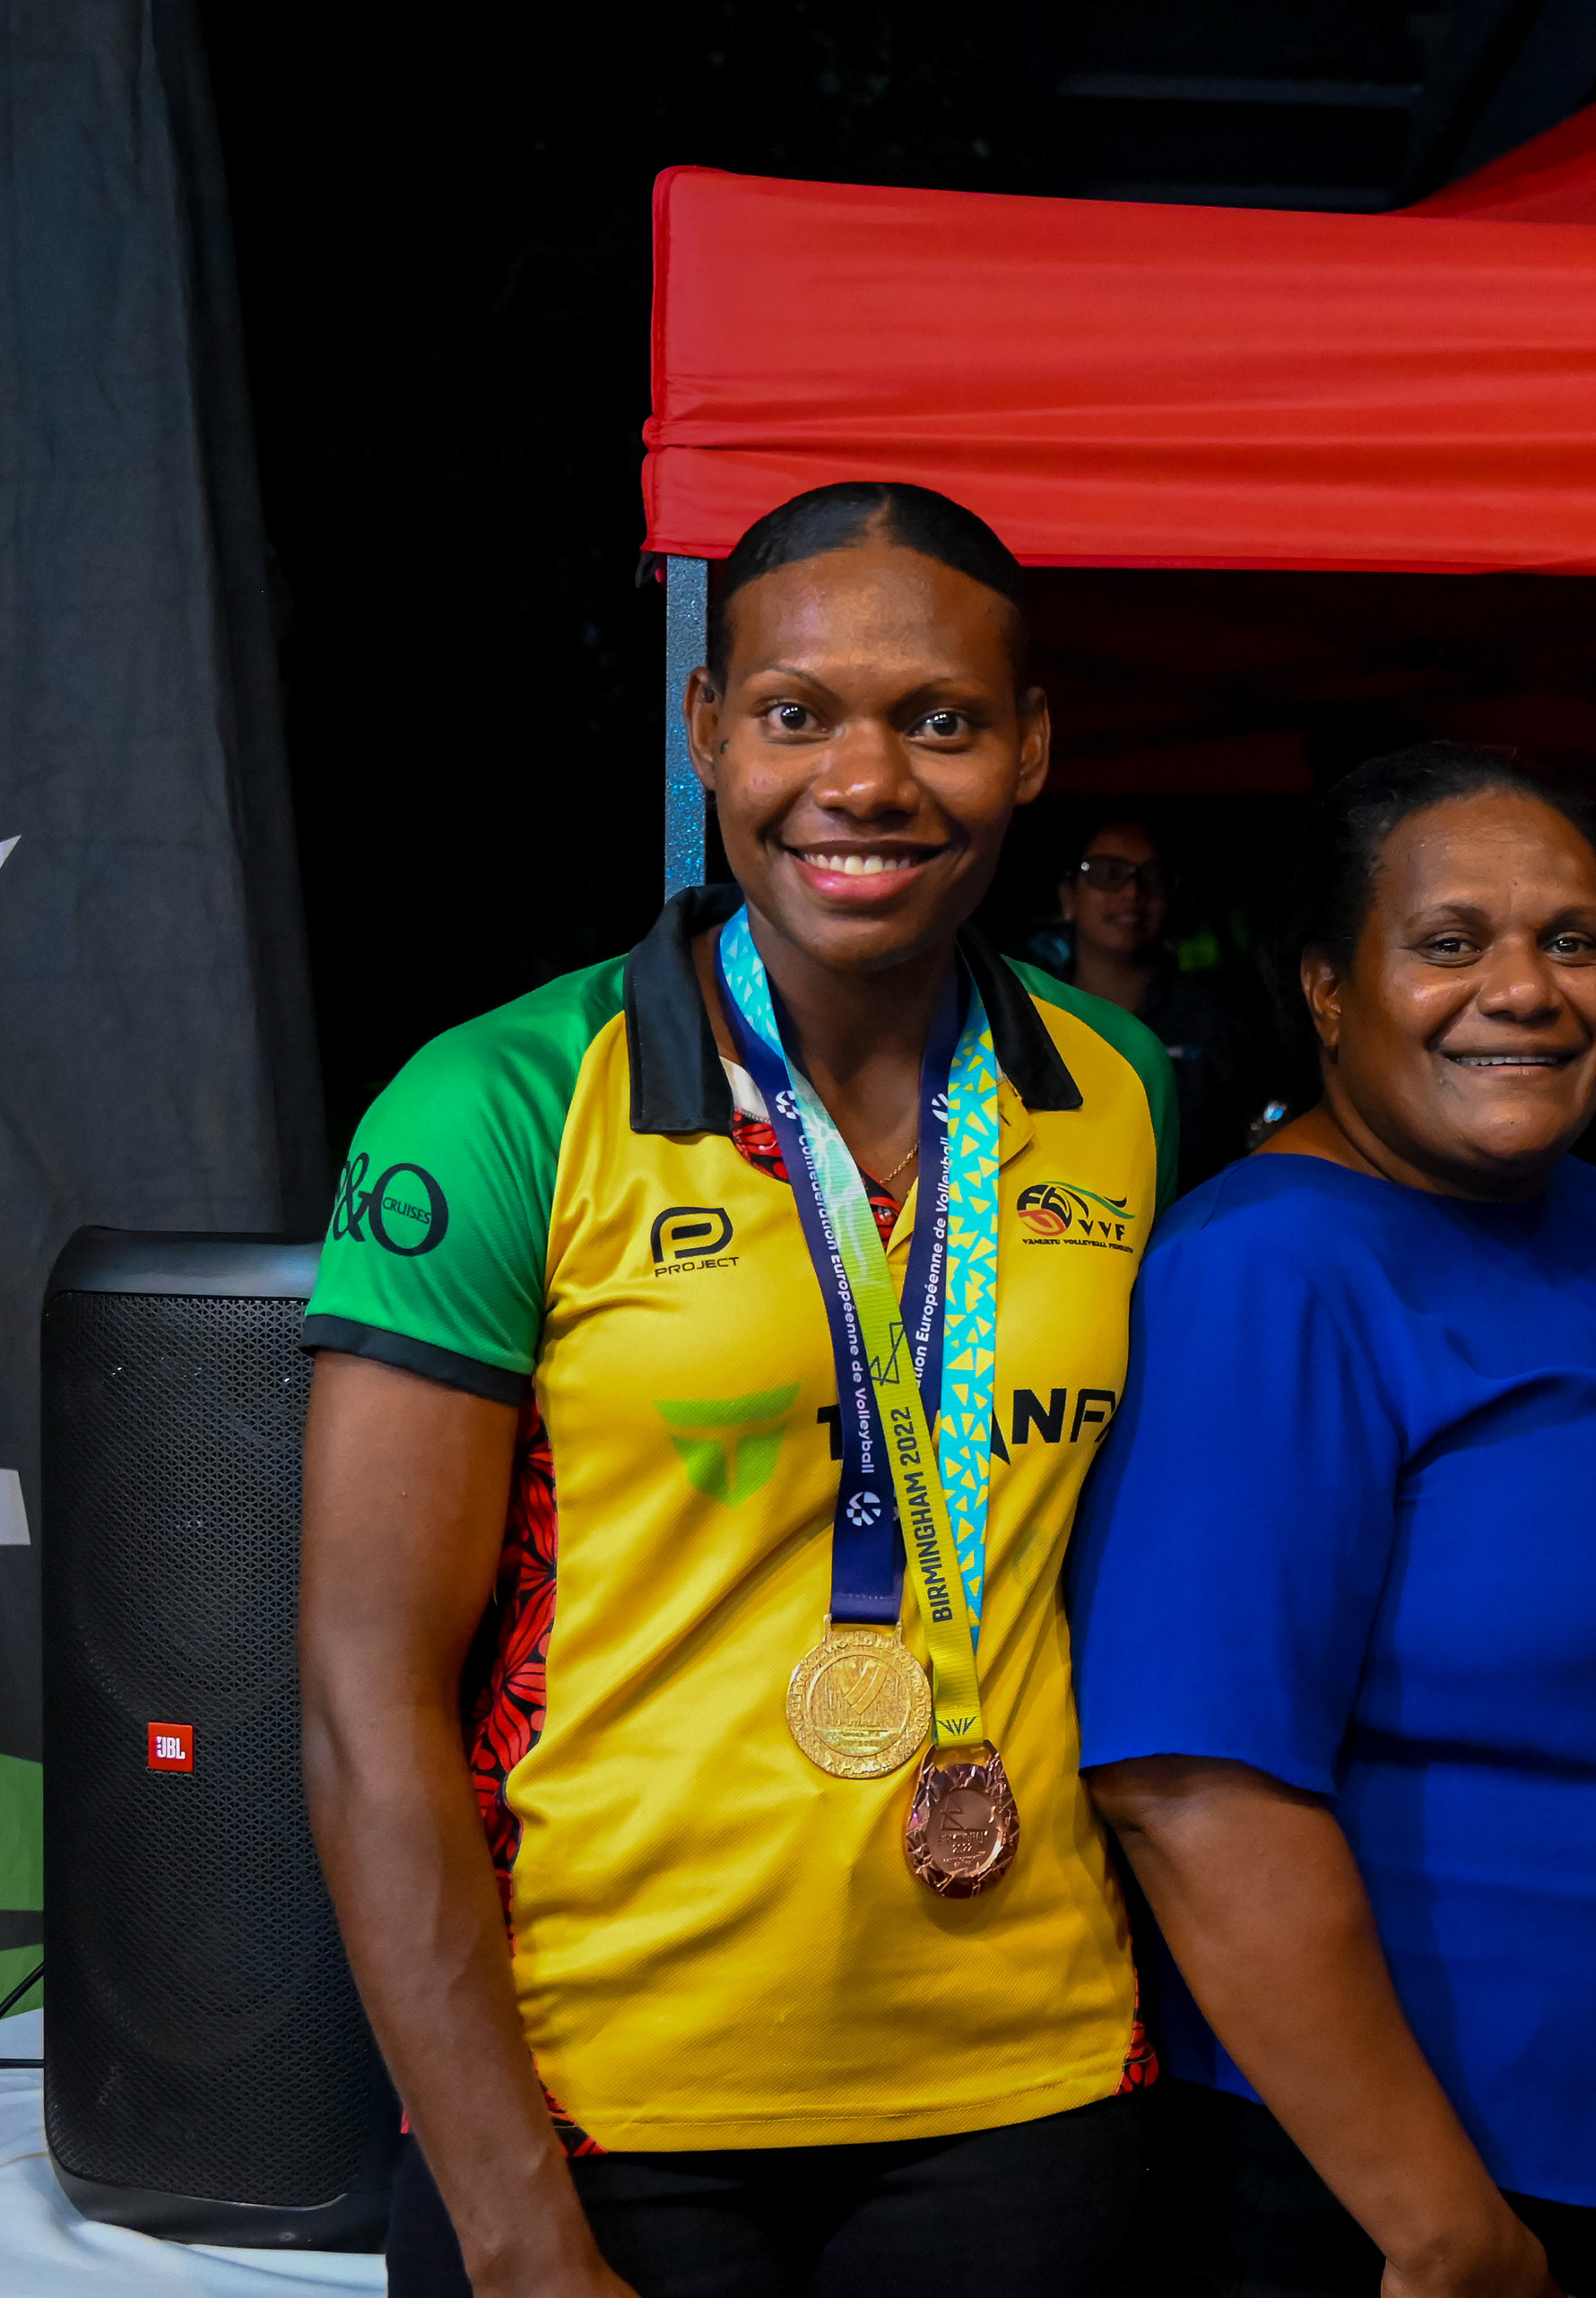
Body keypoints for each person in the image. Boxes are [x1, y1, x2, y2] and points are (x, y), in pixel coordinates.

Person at [297, 481, 1179, 2298]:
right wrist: (517, 2229)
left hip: (1027, 2085)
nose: (864, 781)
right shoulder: (503, 1105)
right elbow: (359, 1697)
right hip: (605, 2107)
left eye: (937, 719)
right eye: (797, 715)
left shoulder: (1119, 1092)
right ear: (708, 734)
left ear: (1028, 748)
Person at [1066, 743, 1596, 2298]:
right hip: (1441, 2199)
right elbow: (1194, 1787)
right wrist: (1439, 2223)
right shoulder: (1270, 1269)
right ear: (1328, 990)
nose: (1527, 987)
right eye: (1448, 942)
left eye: (1572, 938)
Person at [1054, 818, 1258, 1184]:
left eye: (1152, 878)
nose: (1132, 892)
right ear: (1069, 897)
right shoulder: (1029, 1013)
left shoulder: (1212, 1019)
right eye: (1107, 873)